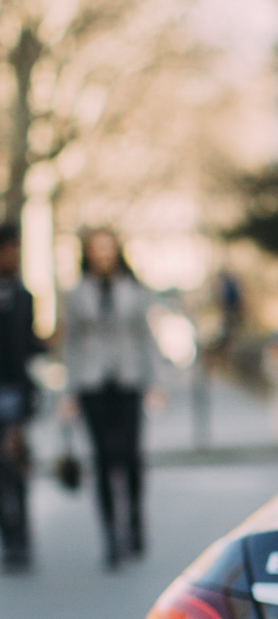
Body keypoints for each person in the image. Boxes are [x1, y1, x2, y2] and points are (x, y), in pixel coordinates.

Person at [60, 227, 157, 568]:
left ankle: (133, 520)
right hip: (92, 382)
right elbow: (69, 344)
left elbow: (145, 337)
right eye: (96, 250)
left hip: (128, 380)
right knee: (101, 459)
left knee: (130, 456)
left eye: (108, 249)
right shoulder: (75, 293)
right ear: (87, 254)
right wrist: (68, 391)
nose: (103, 256)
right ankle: (110, 538)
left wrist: (154, 382)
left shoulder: (133, 289)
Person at [0, 221, 41, 573]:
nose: (14, 256)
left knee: (16, 464)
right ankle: (10, 535)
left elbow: (27, 346)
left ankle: (21, 537)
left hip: (15, 393)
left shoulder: (24, 295)